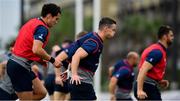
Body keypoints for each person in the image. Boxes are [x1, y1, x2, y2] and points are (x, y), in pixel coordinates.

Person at [5, 3, 62, 100]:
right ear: (48, 16)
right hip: (19, 66)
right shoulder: (42, 28)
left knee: (42, 93)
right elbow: (36, 49)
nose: (56, 22)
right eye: (56, 19)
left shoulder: (33, 22)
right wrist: (53, 60)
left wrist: (41, 60)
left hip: (21, 65)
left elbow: (29, 47)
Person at [55, 17, 117, 100]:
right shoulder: (94, 42)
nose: (114, 32)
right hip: (82, 82)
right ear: (106, 28)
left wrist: (70, 70)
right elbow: (76, 56)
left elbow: (74, 53)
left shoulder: (92, 37)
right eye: (113, 30)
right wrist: (74, 74)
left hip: (80, 82)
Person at [134, 25, 174, 100]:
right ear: (164, 37)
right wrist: (139, 90)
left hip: (147, 85)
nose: (173, 37)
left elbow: (150, 71)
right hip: (147, 86)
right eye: (171, 35)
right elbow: (143, 69)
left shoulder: (158, 49)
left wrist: (158, 80)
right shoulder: (158, 52)